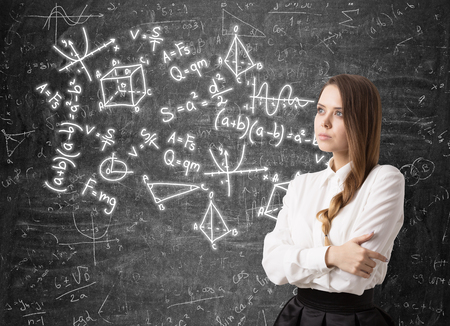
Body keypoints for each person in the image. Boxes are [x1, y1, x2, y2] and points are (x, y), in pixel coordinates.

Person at [262, 74, 404, 325]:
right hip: (297, 317)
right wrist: (332, 257)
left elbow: (352, 280)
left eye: (339, 113)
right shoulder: (301, 184)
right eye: (320, 110)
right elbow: (273, 266)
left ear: (362, 121)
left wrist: (297, 263)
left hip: (352, 319)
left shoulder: (385, 180)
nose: (324, 122)